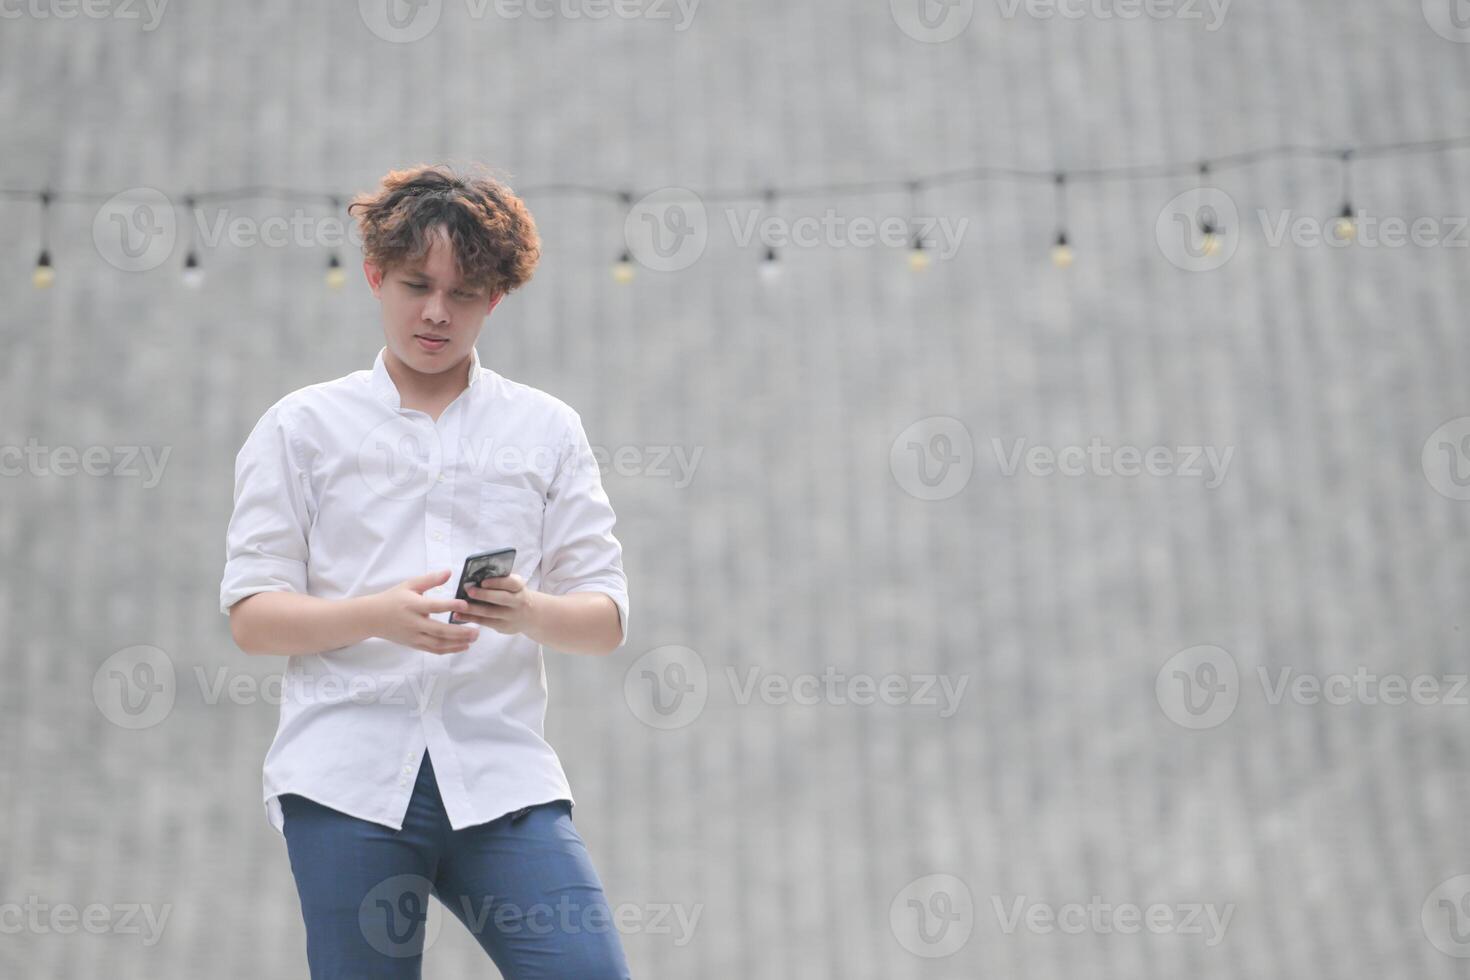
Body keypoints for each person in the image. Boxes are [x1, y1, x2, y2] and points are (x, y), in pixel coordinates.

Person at [219, 163, 633, 979]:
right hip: (345, 780)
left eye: (465, 293)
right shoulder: (301, 428)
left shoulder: (546, 429)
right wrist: (373, 615)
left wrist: (529, 613)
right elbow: (252, 615)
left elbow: (607, 616)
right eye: (417, 284)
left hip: (501, 777)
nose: (437, 311)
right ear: (375, 276)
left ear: (496, 301)